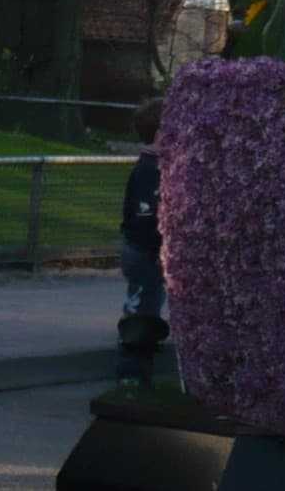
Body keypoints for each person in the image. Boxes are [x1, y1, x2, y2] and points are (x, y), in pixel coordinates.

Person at [116, 99, 170, 385]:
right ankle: (130, 372)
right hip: (143, 250)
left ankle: (137, 368)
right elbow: (144, 215)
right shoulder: (150, 170)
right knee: (141, 310)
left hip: (145, 247)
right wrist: (155, 248)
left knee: (146, 304)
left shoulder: (155, 166)